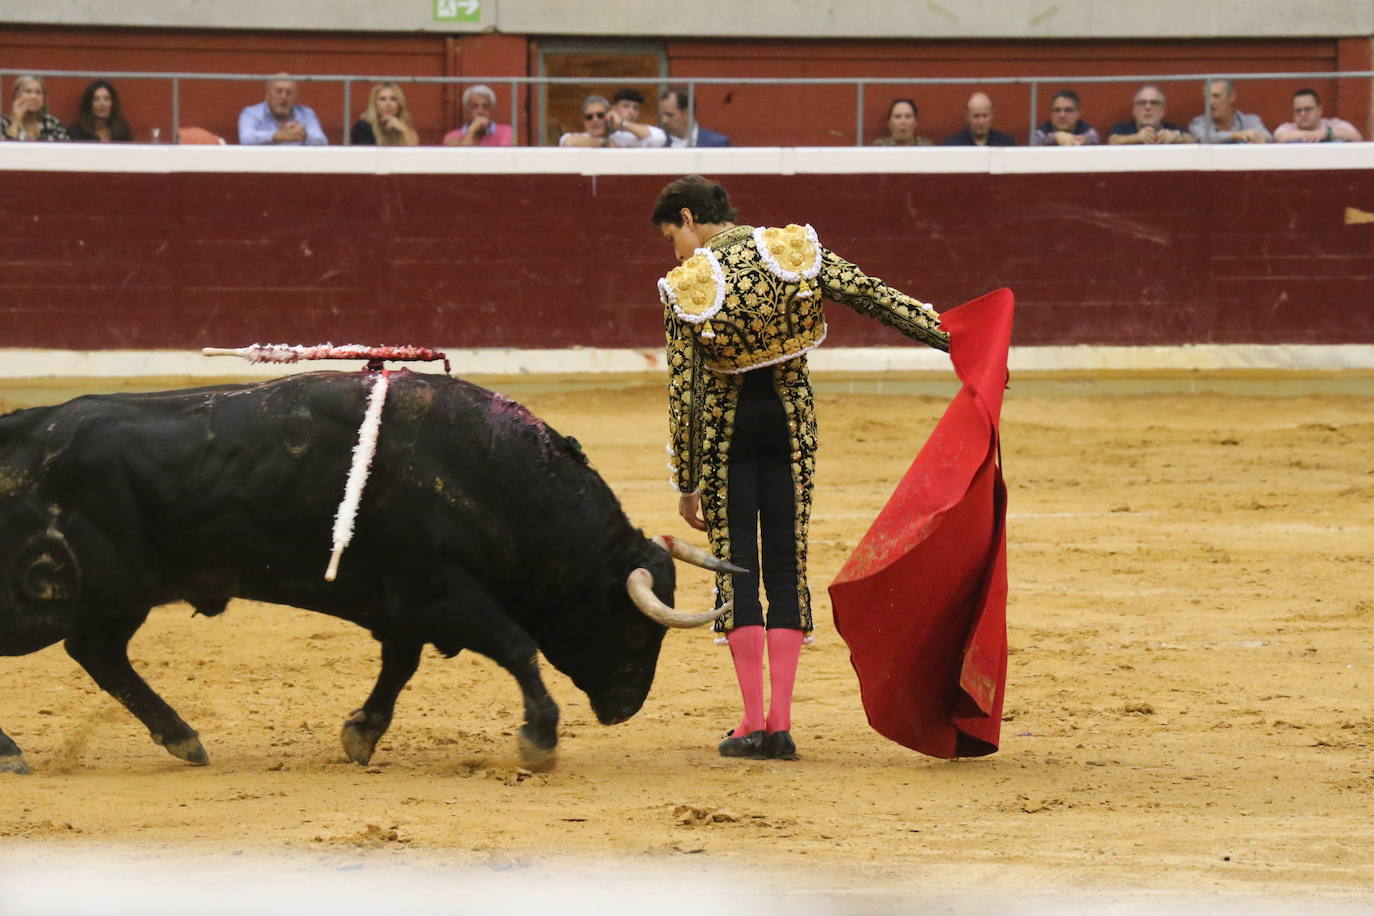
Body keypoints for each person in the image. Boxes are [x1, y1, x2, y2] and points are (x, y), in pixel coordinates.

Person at [650, 175, 949, 761]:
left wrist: (687, 482)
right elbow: (870, 294)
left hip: (727, 437)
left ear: (688, 218)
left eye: (670, 237)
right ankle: (781, 725)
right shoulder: (793, 249)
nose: (675, 253)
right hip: (791, 427)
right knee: (786, 563)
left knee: (738, 566)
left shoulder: (688, 283)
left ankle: (751, 722)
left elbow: (684, 395)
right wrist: (948, 336)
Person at [238, 75, 327, 146]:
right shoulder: (251, 113)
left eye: (289, 93)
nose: (284, 97)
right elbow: (246, 138)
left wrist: (305, 136)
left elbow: (322, 141)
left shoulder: (307, 114)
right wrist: (278, 135)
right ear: (268, 95)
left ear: (296, 98)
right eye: (278, 91)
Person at [1188, 79, 1271, 144]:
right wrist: (1236, 135)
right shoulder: (1198, 124)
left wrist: (1260, 139)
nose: (1210, 102)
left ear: (1232, 97)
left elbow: (1268, 138)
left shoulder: (1251, 121)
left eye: (1216, 96)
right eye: (1207, 97)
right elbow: (1204, 138)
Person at [1108, 85, 1194, 145]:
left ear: (1163, 110)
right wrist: (1136, 138)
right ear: (1134, 109)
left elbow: (1192, 140)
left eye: (1154, 103)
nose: (1148, 107)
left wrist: (1177, 137)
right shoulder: (1123, 128)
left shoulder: (1171, 128)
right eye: (1142, 103)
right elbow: (1112, 141)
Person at [1273, 88, 1363, 143]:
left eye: (1308, 109)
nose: (1302, 114)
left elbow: (1357, 137)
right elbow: (1279, 138)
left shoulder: (1334, 124)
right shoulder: (1287, 128)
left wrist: (1327, 133)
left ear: (1319, 110)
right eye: (1298, 110)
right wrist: (1315, 134)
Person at [442, 84, 514, 147]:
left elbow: (501, 158)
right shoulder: (452, 136)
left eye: (485, 106)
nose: (480, 111)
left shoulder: (507, 132)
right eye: (475, 107)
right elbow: (462, 159)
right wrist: (471, 131)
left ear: (491, 111)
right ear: (467, 112)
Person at [1, 75, 69, 142]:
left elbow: (67, 150)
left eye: (38, 92)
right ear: (16, 95)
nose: (34, 97)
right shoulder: (3, 123)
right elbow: (4, 151)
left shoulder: (51, 123)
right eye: (28, 91)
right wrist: (15, 123)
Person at [350, 82, 419, 146]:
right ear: (375, 104)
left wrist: (404, 130)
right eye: (382, 99)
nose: (388, 104)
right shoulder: (363, 127)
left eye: (393, 99)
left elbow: (414, 154)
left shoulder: (405, 129)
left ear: (399, 104)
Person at [658, 88, 731, 148]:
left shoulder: (716, 143)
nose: (664, 120)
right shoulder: (658, 142)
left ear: (687, 113)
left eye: (670, 115)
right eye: (663, 115)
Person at [67, 79, 132, 142]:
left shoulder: (122, 133)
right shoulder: (76, 133)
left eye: (106, 99)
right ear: (89, 104)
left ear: (113, 103)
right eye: (96, 99)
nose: (102, 104)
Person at [942, 92, 1016, 147]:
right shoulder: (953, 145)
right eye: (976, 116)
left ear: (992, 115)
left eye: (985, 116)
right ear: (967, 117)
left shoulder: (1005, 143)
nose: (981, 122)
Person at [1032, 89, 1100, 146]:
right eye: (1057, 110)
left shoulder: (1086, 130)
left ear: (1078, 114)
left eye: (1068, 110)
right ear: (1051, 113)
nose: (1062, 115)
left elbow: (1094, 138)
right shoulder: (1042, 131)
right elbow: (1035, 140)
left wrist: (1083, 141)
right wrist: (1055, 137)